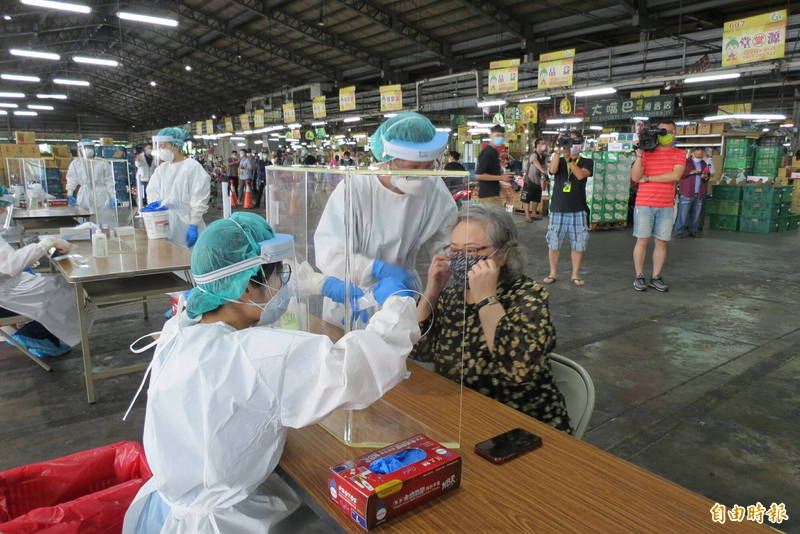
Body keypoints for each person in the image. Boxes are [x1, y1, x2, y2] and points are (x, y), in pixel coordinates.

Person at [122, 212, 419, 533]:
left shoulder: (180, 328)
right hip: (226, 522)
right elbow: (359, 370)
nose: (283, 286)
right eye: (278, 276)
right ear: (247, 288)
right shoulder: (251, 355)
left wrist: (321, 284)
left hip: (168, 510)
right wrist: (399, 305)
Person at [410, 204, 571, 433]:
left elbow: (519, 369)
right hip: (462, 416)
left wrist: (486, 298)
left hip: (519, 426)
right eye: (455, 251)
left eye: (472, 251)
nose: (461, 259)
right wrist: (432, 292)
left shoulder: (527, 296)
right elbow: (419, 350)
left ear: (503, 253)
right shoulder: (454, 295)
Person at [314, 111, 458, 325]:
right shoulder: (356, 187)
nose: (422, 174)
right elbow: (329, 252)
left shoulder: (434, 188)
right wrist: (374, 269)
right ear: (388, 160)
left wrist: (453, 261)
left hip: (402, 290)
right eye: (413, 167)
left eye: (428, 166)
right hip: (353, 292)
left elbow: (446, 237)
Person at [0, 185, 79, 357]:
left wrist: (30, 256)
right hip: (6, 293)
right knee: (71, 291)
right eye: (2, 206)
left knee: (60, 284)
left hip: (8, 285)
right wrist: (46, 244)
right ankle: (37, 336)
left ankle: (47, 336)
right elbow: (9, 264)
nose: (4, 210)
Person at [630, 120, 686, 292]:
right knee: (642, 241)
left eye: (670, 131)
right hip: (644, 202)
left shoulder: (679, 153)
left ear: (675, 133)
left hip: (666, 204)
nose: (667, 134)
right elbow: (635, 177)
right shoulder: (646, 152)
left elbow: (675, 175)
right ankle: (639, 276)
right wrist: (639, 155)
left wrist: (649, 178)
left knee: (661, 242)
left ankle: (656, 277)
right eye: (663, 131)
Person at [146, 128, 211, 248]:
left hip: (188, 222)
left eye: (163, 145)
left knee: (190, 260)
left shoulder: (192, 167)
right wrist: (156, 206)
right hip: (165, 223)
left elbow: (200, 197)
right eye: (159, 146)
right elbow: (152, 191)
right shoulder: (162, 169)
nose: (160, 149)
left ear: (175, 146)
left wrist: (194, 224)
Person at [544, 132, 593, 286]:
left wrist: (569, 159)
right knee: (554, 243)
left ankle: (575, 275)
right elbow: (552, 171)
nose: (572, 145)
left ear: (581, 144)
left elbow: (580, 175)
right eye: (569, 142)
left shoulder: (586, 161)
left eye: (575, 142)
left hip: (578, 209)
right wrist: (558, 153)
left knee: (578, 244)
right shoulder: (558, 158)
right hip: (558, 208)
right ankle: (552, 273)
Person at [65, 139, 114, 212]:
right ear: (80, 149)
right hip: (84, 195)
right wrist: (70, 194)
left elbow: (109, 180)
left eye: (90, 147)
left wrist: (112, 196)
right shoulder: (76, 163)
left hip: (101, 194)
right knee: (85, 217)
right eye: (85, 147)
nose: (88, 149)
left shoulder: (102, 162)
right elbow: (71, 180)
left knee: (102, 218)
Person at [674, 147, 710, 238]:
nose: (700, 154)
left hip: (699, 192)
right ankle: (679, 231)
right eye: (698, 152)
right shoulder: (685, 162)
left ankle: (693, 230)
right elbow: (679, 175)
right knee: (683, 213)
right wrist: (691, 172)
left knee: (696, 214)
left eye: (702, 152)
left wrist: (706, 177)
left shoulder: (704, 163)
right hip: (687, 191)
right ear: (693, 153)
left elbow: (707, 176)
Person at [474, 125, 513, 208]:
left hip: (494, 195)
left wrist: (504, 193)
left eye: (502, 136)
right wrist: (501, 178)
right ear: (491, 136)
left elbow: (494, 176)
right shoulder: (487, 152)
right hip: (488, 197)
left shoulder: (494, 152)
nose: (500, 138)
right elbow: (479, 175)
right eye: (498, 135)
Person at [522, 140, 547, 222]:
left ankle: (533, 213)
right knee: (527, 198)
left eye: (544, 144)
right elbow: (534, 161)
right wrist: (542, 170)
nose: (544, 145)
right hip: (529, 180)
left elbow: (545, 166)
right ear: (537, 145)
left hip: (538, 181)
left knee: (536, 198)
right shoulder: (534, 154)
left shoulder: (543, 156)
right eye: (542, 143)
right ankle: (527, 216)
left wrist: (545, 175)